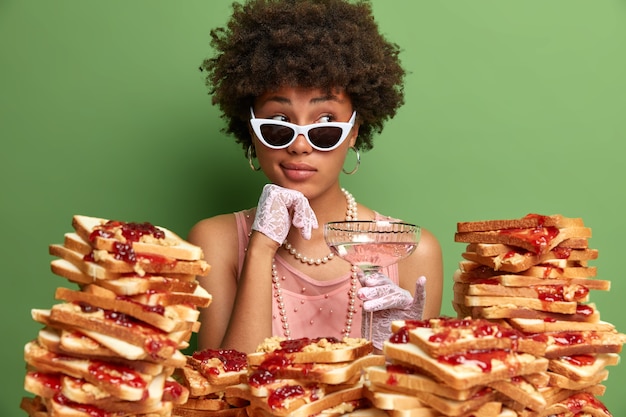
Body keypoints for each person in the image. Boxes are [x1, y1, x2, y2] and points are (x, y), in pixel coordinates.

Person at [188, 0, 443, 354]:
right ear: (251, 130)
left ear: (354, 131)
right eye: (278, 124)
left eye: (326, 126)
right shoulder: (216, 243)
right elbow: (222, 397)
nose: (300, 145)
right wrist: (261, 248)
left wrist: (398, 355)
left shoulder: (413, 252)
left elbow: (409, 403)